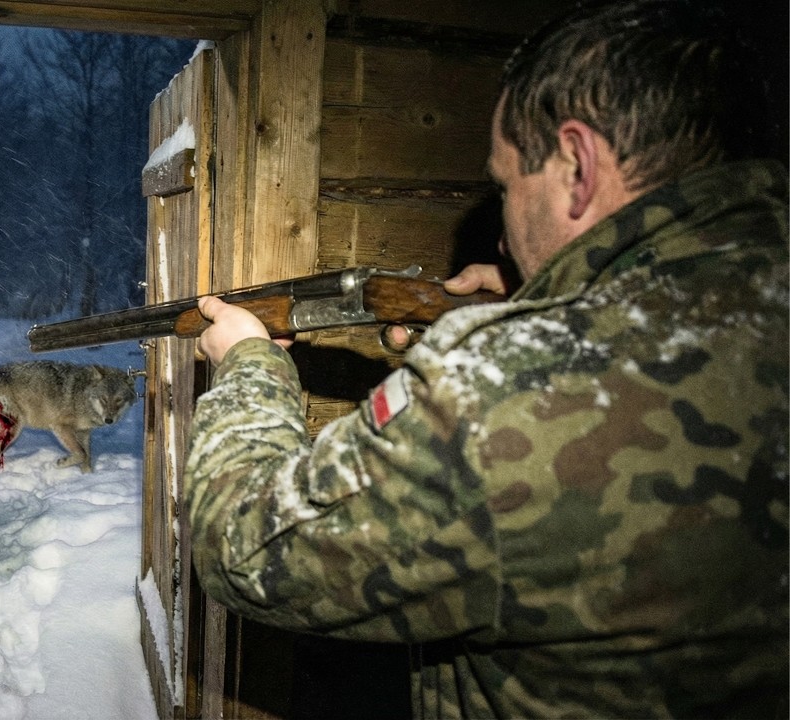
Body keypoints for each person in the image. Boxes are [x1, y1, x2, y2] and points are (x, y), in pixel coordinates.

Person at [183, 1, 788, 717]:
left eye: (504, 186)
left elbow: (243, 550)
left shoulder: (507, 387)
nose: (500, 231)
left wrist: (251, 366)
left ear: (578, 164)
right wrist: (549, 299)